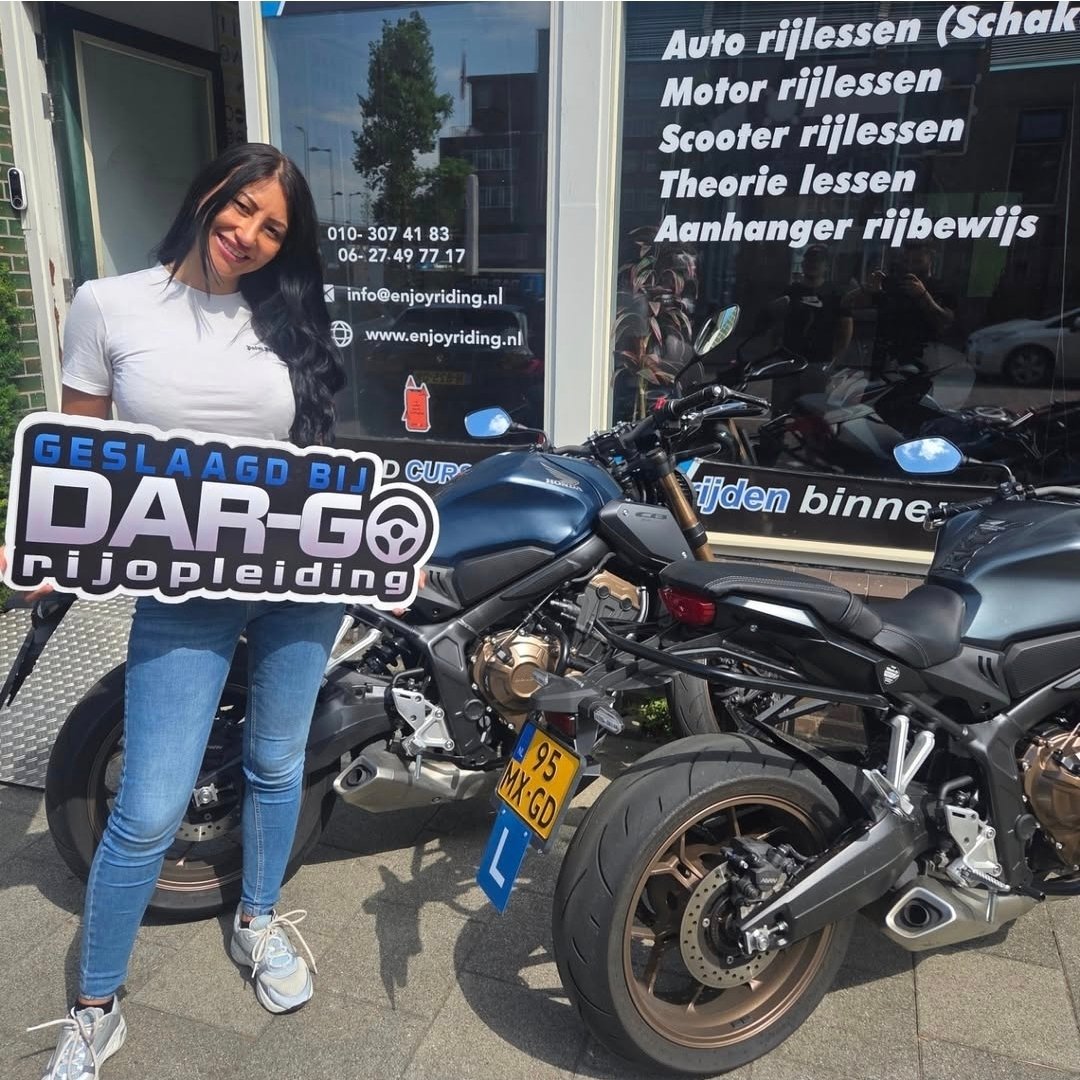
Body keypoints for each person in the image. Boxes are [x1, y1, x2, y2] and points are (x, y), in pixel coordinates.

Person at [22, 143, 346, 1080]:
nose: (249, 235)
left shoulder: (285, 317)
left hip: (295, 584)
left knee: (277, 763)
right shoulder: (109, 304)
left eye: (273, 228)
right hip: (183, 592)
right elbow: (77, 451)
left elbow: (312, 455)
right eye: (241, 208)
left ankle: (256, 919)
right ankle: (94, 1005)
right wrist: (45, 546)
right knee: (150, 805)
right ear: (207, 193)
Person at [844, 240, 956, 373]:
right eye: (906, 262)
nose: (911, 267)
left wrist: (923, 295)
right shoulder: (891, 284)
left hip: (925, 363)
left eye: (917, 262)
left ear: (930, 259)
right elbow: (847, 305)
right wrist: (867, 288)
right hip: (885, 363)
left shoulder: (941, 288)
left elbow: (946, 322)